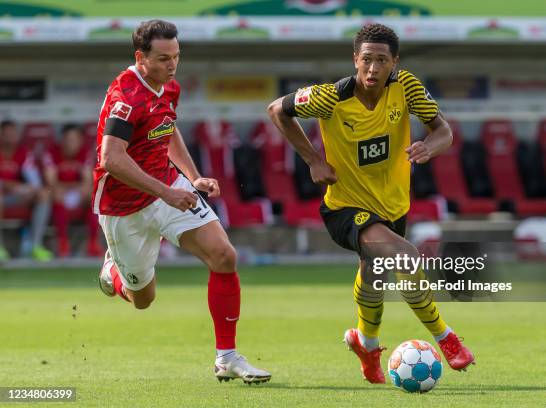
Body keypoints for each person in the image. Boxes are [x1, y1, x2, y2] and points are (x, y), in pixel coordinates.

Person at [268, 23, 474, 384]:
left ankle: (366, 342)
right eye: (366, 60)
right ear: (355, 60)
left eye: (382, 60)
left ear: (395, 62)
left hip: (393, 207)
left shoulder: (406, 87)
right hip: (345, 207)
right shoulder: (329, 96)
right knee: (406, 258)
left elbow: (444, 131)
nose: (373, 69)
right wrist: (314, 159)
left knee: (375, 274)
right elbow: (276, 110)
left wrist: (430, 146)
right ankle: (447, 338)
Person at [94, 20, 270, 384]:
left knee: (224, 256)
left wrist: (192, 178)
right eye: (162, 58)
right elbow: (111, 158)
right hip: (124, 205)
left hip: (167, 186)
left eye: (176, 57)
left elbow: (167, 127)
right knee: (142, 299)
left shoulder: (169, 87)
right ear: (140, 58)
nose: (172, 65)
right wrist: (166, 192)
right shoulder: (125, 98)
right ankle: (112, 271)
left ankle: (227, 357)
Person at [43, 124, 103, 257]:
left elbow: (87, 181)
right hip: (58, 195)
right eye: (68, 139)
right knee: (56, 194)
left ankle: (93, 243)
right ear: (62, 139)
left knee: (92, 194)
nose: (71, 143)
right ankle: (62, 242)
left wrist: (77, 189)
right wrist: (71, 188)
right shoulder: (52, 152)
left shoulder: (85, 152)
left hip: (77, 195)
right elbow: (51, 182)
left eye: (74, 139)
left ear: (80, 140)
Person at [0, 120, 53, 261]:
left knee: (43, 195)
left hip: (15, 196)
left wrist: (30, 190)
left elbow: (34, 181)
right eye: (6, 133)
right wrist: (8, 185)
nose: (10, 137)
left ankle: (35, 246)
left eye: (13, 133)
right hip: (2, 197)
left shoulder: (23, 152)